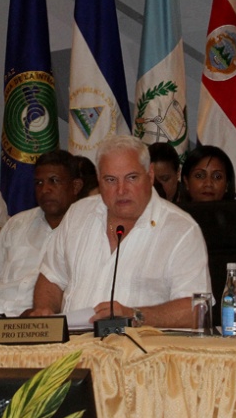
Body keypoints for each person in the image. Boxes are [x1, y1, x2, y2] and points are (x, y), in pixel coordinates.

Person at [29, 136, 211, 328]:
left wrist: (134, 315)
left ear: (150, 175)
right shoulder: (78, 214)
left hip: (140, 343)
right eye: (111, 180)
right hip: (74, 342)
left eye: (131, 178)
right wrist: (44, 310)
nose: (121, 190)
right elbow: (51, 279)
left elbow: (197, 310)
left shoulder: (181, 229)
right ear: (99, 179)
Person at [0, 150, 83, 319]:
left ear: (75, 186)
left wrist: (40, 311)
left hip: (40, 322)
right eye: (39, 183)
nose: (45, 189)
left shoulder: (85, 232)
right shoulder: (17, 223)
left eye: (54, 181)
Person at [179, 145, 236, 325]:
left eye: (217, 177)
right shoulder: (172, 222)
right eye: (199, 176)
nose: (208, 183)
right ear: (186, 182)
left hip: (235, 322)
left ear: (227, 184)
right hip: (182, 321)